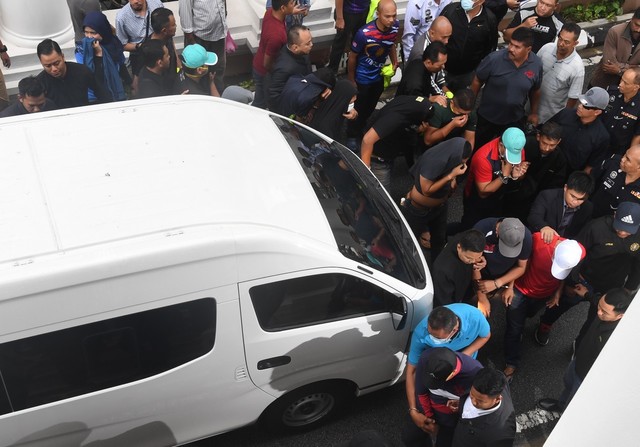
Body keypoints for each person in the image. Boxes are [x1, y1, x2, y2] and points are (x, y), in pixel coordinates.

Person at [536, 202, 640, 345]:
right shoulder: (596, 227)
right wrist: (570, 283)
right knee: (561, 304)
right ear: (615, 215)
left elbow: (638, 265)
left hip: (611, 287)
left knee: (596, 319)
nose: (622, 232)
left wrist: (629, 288)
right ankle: (545, 324)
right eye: (620, 227)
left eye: (628, 230)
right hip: (583, 279)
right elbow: (576, 253)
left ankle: (579, 343)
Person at [404, 304, 490, 447]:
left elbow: (486, 335)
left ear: (454, 330)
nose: (430, 337)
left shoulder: (475, 318)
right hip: (438, 371)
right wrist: (413, 410)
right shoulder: (421, 333)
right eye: (429, 333)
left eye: (436, 337)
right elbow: (411, 371)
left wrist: (463, 357)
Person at [537, 287, 632, 412]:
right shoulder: (604, 310)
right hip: (578, 360)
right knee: (568, 383)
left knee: (574, 401)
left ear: (620, 315)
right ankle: (561, 405)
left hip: (586, 376)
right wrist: (586, 294)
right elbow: (596, 300)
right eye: (599, 306)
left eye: (604, 312)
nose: (598, 312)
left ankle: (566, 415)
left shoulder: (618, 338)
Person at [504, 237, 584, 377]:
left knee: (529, 314)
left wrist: (558, 293)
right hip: (520, 289)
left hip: (544, 295)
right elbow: (517, 263)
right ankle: (511, 362)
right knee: (514, 328)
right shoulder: (538, 241)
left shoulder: (579, 252)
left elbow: (564, 275)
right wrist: (509, 287)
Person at [471, 27, 542, 150]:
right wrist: (470, 106)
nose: (511, 49)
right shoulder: (494, 59)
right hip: (487, 117)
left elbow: (535, 90)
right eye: (510, 44)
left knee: (510, 151)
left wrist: (534, 113)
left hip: (514, 119)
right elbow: (477, 80)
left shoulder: (536, 64)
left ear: (528, 49)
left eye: (517, 47)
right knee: (479, 149)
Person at [401, 138, 471, 258]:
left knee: (439, 240)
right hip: (418, 210)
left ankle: (437, 271)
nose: (462, 166)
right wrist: (451, 176)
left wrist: (454, 180)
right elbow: (426, 190)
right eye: (461, 162)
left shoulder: (451, 157)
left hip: (440, 207)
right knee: (408, 243)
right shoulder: (435, 160)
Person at [403, 347, 483, 447]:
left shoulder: (475, 374)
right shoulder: (426, 358)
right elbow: (421, 392)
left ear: (452, 374)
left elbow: (479, 406)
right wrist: (429, 419)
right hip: (426, 412)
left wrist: (462, 406)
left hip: (452, 423)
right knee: (410, 438)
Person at [347, 0, 399, 141]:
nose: (391, 20)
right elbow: (352, 57)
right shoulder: (364, 33)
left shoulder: (395, 27)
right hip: (362, 78)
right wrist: (351, 80)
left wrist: (395, 61)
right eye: (387, 16)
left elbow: (391, 43)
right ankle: (352, 135)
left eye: (394, 15)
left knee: (370, 107)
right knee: (358, 109)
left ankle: (362, 128)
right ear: (378, 14)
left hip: (379, 76)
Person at [359, 95, 433, 188]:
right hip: (378, 159)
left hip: (387, 150)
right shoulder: (395, 118)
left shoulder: (411, 102)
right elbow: (367, 140)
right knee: (381, 195)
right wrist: (366, 171)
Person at [461, 127, 529, 230]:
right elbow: (482, 192)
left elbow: (519, 175)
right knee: (470, 229)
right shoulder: (483, 158)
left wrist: (515, 175)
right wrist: (504, 176)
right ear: (501, 145)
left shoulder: (516, 148)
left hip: (499, 197)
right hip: (477, 200)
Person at [503, 121, 568, 220]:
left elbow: (555, 186)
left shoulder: (560, 159)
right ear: (538, 137)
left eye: (552, 145)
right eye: (544, 143)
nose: (547, 148)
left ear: (558, 142)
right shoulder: (524, 145)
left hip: (536, 201)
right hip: (511, 194)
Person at [473, 217, 532, 318]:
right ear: (497, 231)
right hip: (478, 274)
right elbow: (473, 264)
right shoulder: (481, 230)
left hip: (500, 278)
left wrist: (501, 284)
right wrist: (481, 297)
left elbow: (520, 266)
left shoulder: (525, 238)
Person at [439, 0, 498, 93]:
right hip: (444, 70)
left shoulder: (489, 19)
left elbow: (490, 49)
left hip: (468, 74)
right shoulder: (451, 11)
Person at [548, 87, 610, 174]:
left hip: (566, 175)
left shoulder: (601, 137)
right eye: (581, 102)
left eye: (585, 105)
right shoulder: (565, 114)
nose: (580, 106)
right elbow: (546, 130)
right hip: (546, 162)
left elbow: (591, 166)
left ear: (597, 112)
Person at [252, 0, 301, 108]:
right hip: (264, 72)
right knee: (261, 104)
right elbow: (267, 64)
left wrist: (292, 11)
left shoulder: (270, 13)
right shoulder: (276, 36)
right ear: (283, 8)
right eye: (292, 3)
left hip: (259, 63)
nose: (294, 4)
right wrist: (277, 74)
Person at [36, 38, 111, 109]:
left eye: (57, 63)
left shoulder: (82, 71)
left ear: (62, 56)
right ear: (41, 63)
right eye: (48, 66)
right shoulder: (40, 83)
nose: (54, 69)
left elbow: (102, 93)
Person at [452, 368, 516, 447]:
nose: (473, 402)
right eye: (471, 395)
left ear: (497, 399)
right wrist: (461, 402)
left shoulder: (500, 434)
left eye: (480, 401)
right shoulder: (497, 379)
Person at [536, 22, 584, 125]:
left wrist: (563, 119)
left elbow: (573, 98)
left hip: (550, 118)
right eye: (560, 38)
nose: (561, 43)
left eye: (566, 42)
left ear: (575, 43)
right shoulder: (546, 48)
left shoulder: (577, 68)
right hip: (529, 108)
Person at [527, 171, 595, 242]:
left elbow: (581, 233)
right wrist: (544, 227)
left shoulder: (588, 208)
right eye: (572, 196)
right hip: (540, 240)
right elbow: (534, 216)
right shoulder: (548, 196)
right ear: (565, 188)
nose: (575, 201)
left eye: (580, 199)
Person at [179, 0, 228, 92]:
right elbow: (185, 10)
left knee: (218, 70)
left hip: (219, 34)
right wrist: (191, 41)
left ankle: (218, 96)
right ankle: (202, 97)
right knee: (198, 73)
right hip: (199, 38)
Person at [80, 11, 128, 102]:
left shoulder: (114, 44)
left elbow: (121, 64)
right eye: (86, 32)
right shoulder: (82, 51)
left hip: (115, 91)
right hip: (94, 97)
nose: (89, 37)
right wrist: (99, 55)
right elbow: (93, 78)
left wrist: (130, 83)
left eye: (93, 33)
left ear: (103, 31)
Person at [432, 229, 486, 307]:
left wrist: (481, 260)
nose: (473, 261)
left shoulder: (468, 237)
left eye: (478, 256)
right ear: (459, 247)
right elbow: (444, 302)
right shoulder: (442, 271)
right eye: (469, 258)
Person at [590, 8, 640, 90]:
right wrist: (633, 68)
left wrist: (619, 70)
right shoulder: (615, 32)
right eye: (636, 25)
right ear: (632, 19)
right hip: (604, 82)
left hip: (630, 88)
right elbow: (608, 64)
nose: (638, 30)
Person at [268, 25, 313, 113]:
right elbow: (274, 96)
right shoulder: (284, 68)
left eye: (311, 41)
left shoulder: (302, 52)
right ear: (295, 47)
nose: (311, 45)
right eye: (307, 44)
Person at [115, 0, 163, 79]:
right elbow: (122, 45)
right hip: (139, 57)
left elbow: (168, 33)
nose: (136, 1)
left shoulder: (157, 4)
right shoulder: (121, 17)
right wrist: (140, 46)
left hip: (161, 53)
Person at [590, 146, 640, 218]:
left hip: (613, 227)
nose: (623, 159)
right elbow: (591, 179)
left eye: (628, 160)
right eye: (625, 154)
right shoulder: (613, 163)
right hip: (591, 213)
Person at [396, 41, 448, 106]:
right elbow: (415, 103)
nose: (443, 67)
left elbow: (431, 84)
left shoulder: (418, 62)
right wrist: (429, 99)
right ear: (429, 62)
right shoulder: (415, 84)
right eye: (440, 65)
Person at [602, 67, 640, 155]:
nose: (621, 84)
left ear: (636, 87)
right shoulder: (611, 92)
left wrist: (629, 154)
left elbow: (637, 135)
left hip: (617, 150)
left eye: (625, 83)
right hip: (599, 141)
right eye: (621, 80)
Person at [327, 0, 370, 73]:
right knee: (340, 43)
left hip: (364, 11)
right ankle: (332, 71)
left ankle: (351, 68)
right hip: (347, 12)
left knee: (358, 42)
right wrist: (339, 18)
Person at [149, 7, 180, 89]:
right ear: (164, 31)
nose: (176, 26)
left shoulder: (168, 37)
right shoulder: (150, 51)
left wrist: (179, 66)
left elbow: (173, 51)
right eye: (173, 25)